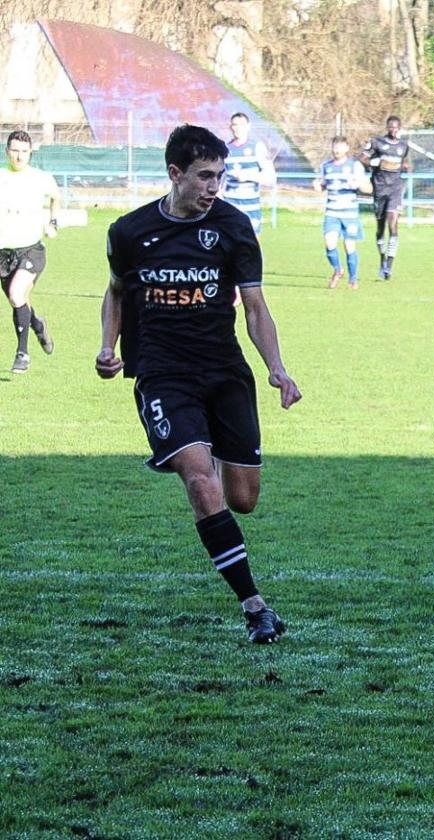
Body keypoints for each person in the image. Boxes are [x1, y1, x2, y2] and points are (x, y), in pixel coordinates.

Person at [96, 124, 301, 644]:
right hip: (163, 373)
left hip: (225, 371)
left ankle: (203, 459)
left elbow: (255, 306)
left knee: (244, 498)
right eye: (205, 176)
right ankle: (255, 606)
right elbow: (117, 292)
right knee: (200, 480)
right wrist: (108, 346)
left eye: (220, 176)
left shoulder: (233, 228)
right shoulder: (130, 232)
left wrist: (276, 367)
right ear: (175, 174)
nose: (215, 187)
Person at [1, 130, 59, 374]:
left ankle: (22, 354)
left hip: (31, 250)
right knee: (20, 302)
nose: (19, 156)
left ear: (30, 153)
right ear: (7, 151)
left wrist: (53, 222)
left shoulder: (41, 178)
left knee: (16, 295)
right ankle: (37, 324)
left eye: (24, 151)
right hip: (4, 253)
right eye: (15, 150)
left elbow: (56, 197)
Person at [316, 135, 371, 290]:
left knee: (349, 246)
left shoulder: (355, 166)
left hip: (349, 214)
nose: (337, 150)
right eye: (334, 147)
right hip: (332, 213)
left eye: (340, 147)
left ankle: (353, 279)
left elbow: (369, 188)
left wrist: (358, 184)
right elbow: (323, 185)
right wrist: (318, 186)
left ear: (346, 148)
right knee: (329, 244)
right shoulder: (326, 166)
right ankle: (338, 269)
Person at [359, 116, 410, 280]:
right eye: (391, 127)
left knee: (393, 224)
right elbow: (363, 158)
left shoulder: (404, 146)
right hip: (380, 188)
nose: (393, 130)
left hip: (395, 188)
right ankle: (382, 261)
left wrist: (406, 167)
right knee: (380, 229)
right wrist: (377, 163)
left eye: (396, 128)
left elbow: (406, 163)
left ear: (400, 128)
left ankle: (389, 264)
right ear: (387, 127)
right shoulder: (377, 142)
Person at [222, 112, 276, 236]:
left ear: (248, 126)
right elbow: (221, 177)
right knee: (230, 247)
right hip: (231, 205)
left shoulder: (257, 147)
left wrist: (248, 177)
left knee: (251, 249)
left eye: (241, 124)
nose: (237, 128)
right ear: (230, 127)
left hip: (251, 206)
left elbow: (270, 177)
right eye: (234, 124)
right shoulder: (225, 149)